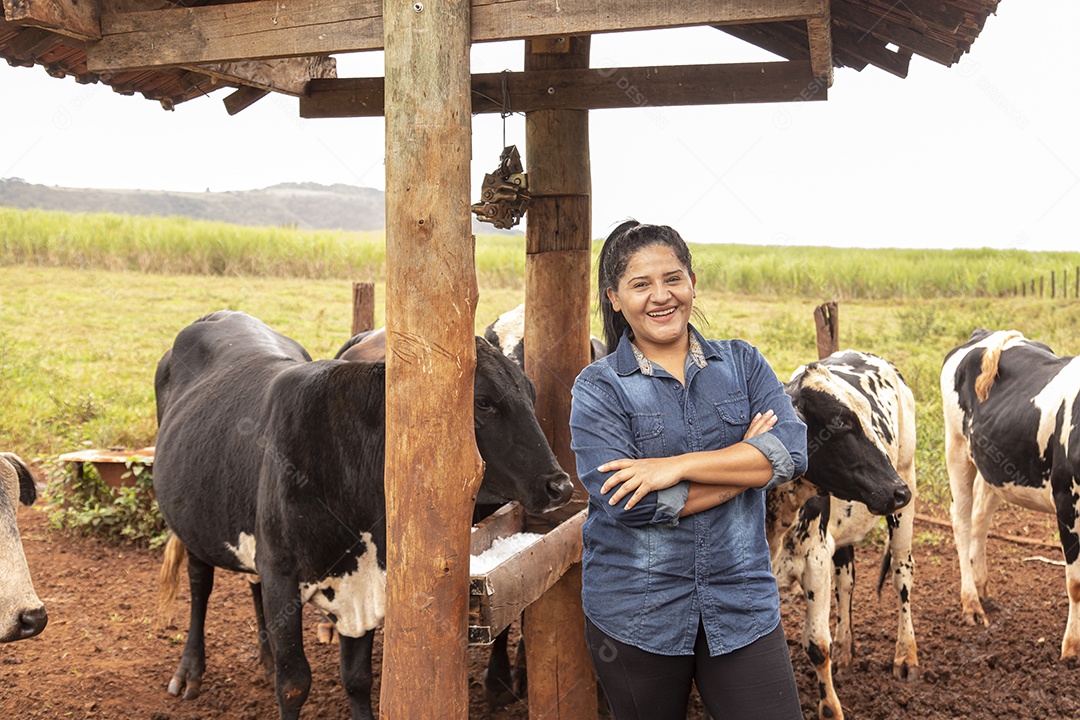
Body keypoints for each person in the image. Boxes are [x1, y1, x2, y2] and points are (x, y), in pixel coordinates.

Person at [569, 221, 808, 719]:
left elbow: (790, 451)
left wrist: (675, 466)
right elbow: (631, 503)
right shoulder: (598, 389)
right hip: (636, 614)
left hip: (740, 603)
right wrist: (745, 463)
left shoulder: (743, 363)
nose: (661, 296)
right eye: (641, 285)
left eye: (673, 279)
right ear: (615, 298)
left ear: (692, 282)